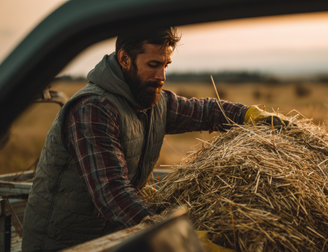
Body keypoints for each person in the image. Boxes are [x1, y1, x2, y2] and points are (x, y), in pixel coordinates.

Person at [22, 27, 288, 251]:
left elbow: (204, 111)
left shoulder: (151, 100)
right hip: (66, 244)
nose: (161, 76)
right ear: (125, 59)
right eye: (153, 65)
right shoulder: (93, 108)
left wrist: (249, 115)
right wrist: (179, 237)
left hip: (111, 238)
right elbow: (113, 194)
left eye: (165, 65)